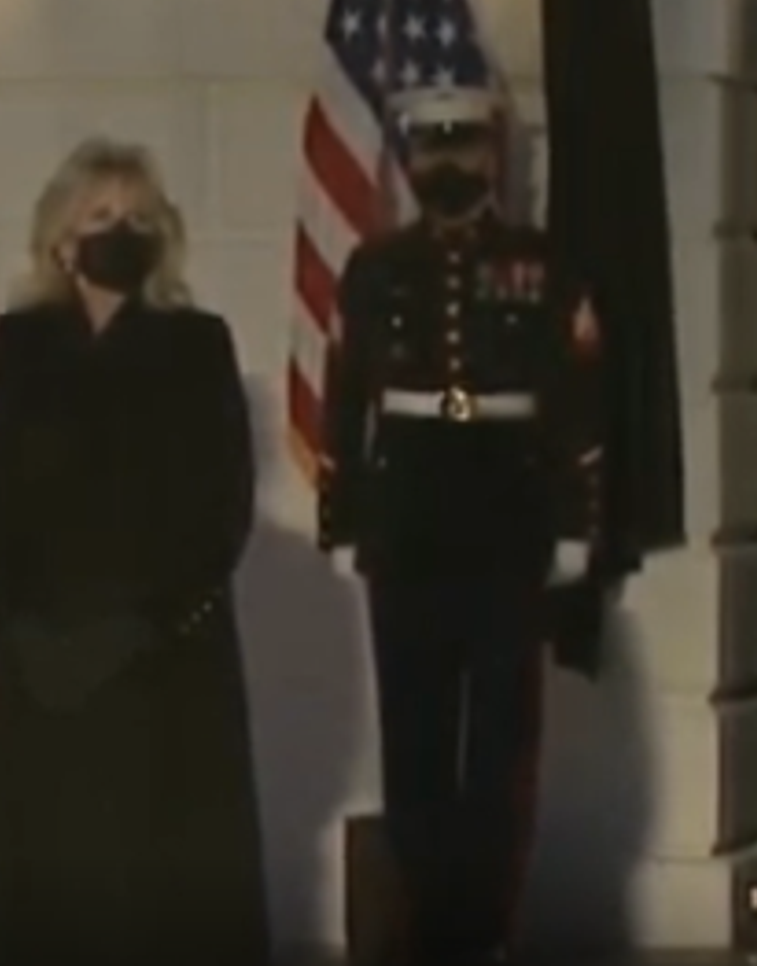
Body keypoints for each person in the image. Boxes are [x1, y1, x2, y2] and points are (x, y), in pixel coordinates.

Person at [0, 138, 265, 965]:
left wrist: (136, 626)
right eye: (100, 216)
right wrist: (13, 621)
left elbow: (219, 504)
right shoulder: (20, 343)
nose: (120, 231)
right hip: (38, 661)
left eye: (138, 218)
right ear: (61, 239)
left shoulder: (197, 344)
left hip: (160, 660)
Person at [318, 85, 603, 965]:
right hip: (410, 500)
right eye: (432, 147)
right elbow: (346, 396)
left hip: (506, 497)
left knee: (501, 740)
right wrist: (342, 515)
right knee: (415, 731)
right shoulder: (375, 268)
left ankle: (482, 932)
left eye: (465, 146)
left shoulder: (542, 265)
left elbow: (577, 396)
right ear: (409, 158)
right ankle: (427, 927)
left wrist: (575, 519)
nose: (449, 164)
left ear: (492, 155)